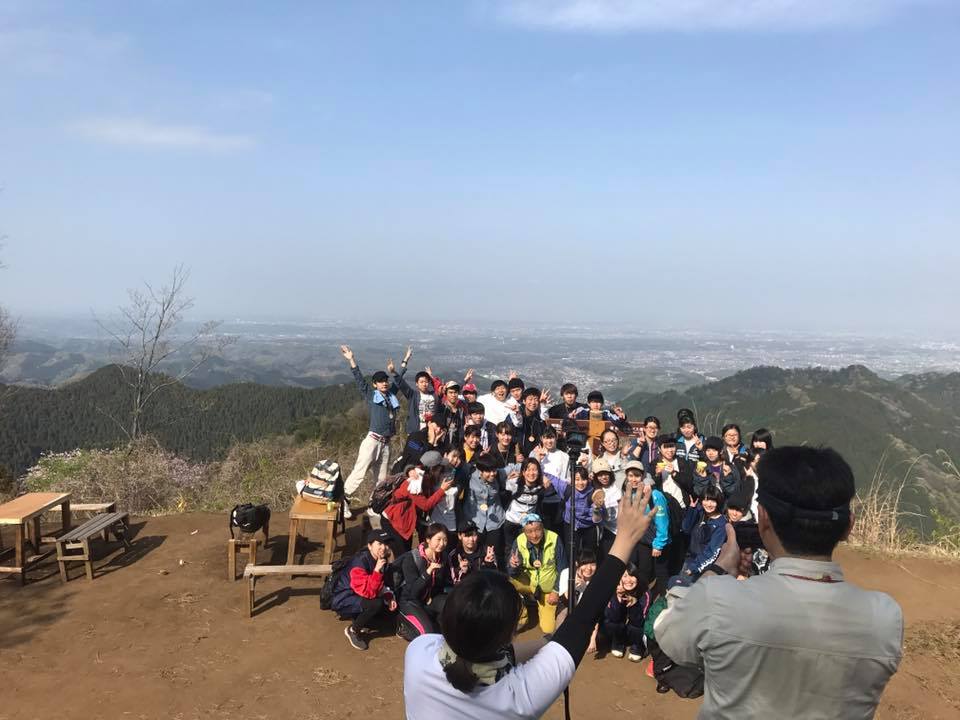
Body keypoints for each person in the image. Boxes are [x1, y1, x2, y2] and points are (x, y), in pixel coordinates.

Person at [655, 446, 903, 719]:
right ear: (849, 527)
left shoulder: (717, 599)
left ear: (763, 518)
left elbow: (668, 635)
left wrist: (718, 569)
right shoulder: (884, 618)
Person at [402, 485, 655, 720]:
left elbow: (480, 655)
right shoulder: (519, 697)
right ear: (509, 635)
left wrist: (549, 642)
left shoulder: (419, 653)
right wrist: (626, 539)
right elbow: (583, 619)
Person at [340, 345, 403, 518]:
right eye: (380, 381)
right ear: (375, 384)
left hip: (386, 444)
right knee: (359, 472)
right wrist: (351, 360)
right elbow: (360, 381)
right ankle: (342, 501)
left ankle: (374, 506)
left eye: (385, 380)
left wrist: (401, 366)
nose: (384, 383)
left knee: (381, 479)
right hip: (373, 441)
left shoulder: (391, 396)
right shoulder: (372, 396)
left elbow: (399, 382)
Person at [331, 529, 398, 651]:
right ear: (369, 546)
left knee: (386, 611)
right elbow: (368, 592)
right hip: (343, 598)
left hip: (358, 594)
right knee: (375, 604)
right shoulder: (359, 563)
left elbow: (382, 584)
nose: (383, 547)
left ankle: (362, 619)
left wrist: (389, 596)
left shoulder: (380, 559)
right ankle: (353, 630)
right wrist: (377, 571)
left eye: (386, 543)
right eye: (379, 543)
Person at [381, 453, 455, 557]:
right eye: (440, 468)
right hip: (394, 521)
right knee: (403, 554)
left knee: (407, 551)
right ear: (433, 469)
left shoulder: (423, 474)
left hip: (404, 520)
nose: (441, 470)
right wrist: (442, 490)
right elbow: (425, 505)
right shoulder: (415, 482)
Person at [507, 513, 568, 636]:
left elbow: (563, 568)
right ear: (524, 531)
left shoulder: (554, 538)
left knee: (548, 629)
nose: (534, 535)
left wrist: (556, 591)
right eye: (529, 531)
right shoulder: (519, 541)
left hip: (548, 588)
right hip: (529, 582)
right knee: (508, 583)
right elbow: (512, 573)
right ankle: (522, 611)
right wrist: (514, 566)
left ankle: (556, 605)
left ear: (542, 527)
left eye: (537, 530)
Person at [397, 523, 450, 640]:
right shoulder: (412, 558)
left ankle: (432, 621)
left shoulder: (443, 557)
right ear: (428, 540)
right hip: (411, 601)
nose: (442, 544)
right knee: (427, 634)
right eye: (438, 539)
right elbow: (413, 592)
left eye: (445, 540)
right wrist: (428, 572)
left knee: (451, 612)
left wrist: (461, 569)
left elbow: (443, 584)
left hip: (430, 599)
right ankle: (404, 627)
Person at [462, 455, 508, 567]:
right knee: (476, 555)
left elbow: (516, 467)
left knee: (493, 555)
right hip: (475, 521)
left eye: (494, 470)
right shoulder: (470, 474)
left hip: (494, 522)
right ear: (480, 470)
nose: (492, 474)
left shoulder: (499, 474)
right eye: (488, 471)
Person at [678, 484, 728, 583]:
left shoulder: (721, 524)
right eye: (706, 500)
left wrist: (695, 567)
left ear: (718, 502)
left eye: (713, 501)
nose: (709, 504)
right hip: (689, 560)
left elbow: (712, 551)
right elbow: (686, 528)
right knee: (679, 588)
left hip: (703, 567)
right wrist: (692, 509)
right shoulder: (700, 512)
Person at [601, 567, 652, 662]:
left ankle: (637, 645)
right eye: (624, 576)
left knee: (637, 627)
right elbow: (612, 617)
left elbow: (640, 621)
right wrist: (618, 598)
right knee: (610, 623)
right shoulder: (613, 589)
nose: (628, 580)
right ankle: (618, 641)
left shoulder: (644, 593)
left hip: (635, 627)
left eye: (632, 576)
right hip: (621, 626)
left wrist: (634, 604)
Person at [503, 458, 548, 549]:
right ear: (523, 472)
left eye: (534, 470)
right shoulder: (514, 483)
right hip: (511, 521)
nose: (531, 473)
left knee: (526, 548)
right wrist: (507, 478)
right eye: (528, 470)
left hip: (527, 524)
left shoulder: (541, 487)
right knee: (510, 548)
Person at [391, 348, 435, 435]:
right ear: (416, 384)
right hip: (414, 432)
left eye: (426, 381)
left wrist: (432, 377)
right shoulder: (413, 395)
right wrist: (394, 372)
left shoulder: (434, 396)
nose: (424, 384)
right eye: (421, 382)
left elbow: (442, 390)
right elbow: (401, 383)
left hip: (430, 432)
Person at [447, 520, 498, 585]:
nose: (471, 539)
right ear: (459, 536)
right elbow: (455, 582)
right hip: (465, 588)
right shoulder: (454, 555)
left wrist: (488, 564)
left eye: (474, 535)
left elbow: (495, 578)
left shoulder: (487, 551)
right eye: (467, 536)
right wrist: (461, 570)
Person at [567, 390, 632, 433]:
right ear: (589, 404)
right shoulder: (583, 411)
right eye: (593, 402)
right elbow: (570, 416)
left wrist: (620, 416)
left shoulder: (605, 413)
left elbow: (617, 421)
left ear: (602, 404)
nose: (596, 405)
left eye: (598, 402)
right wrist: (571, 416)